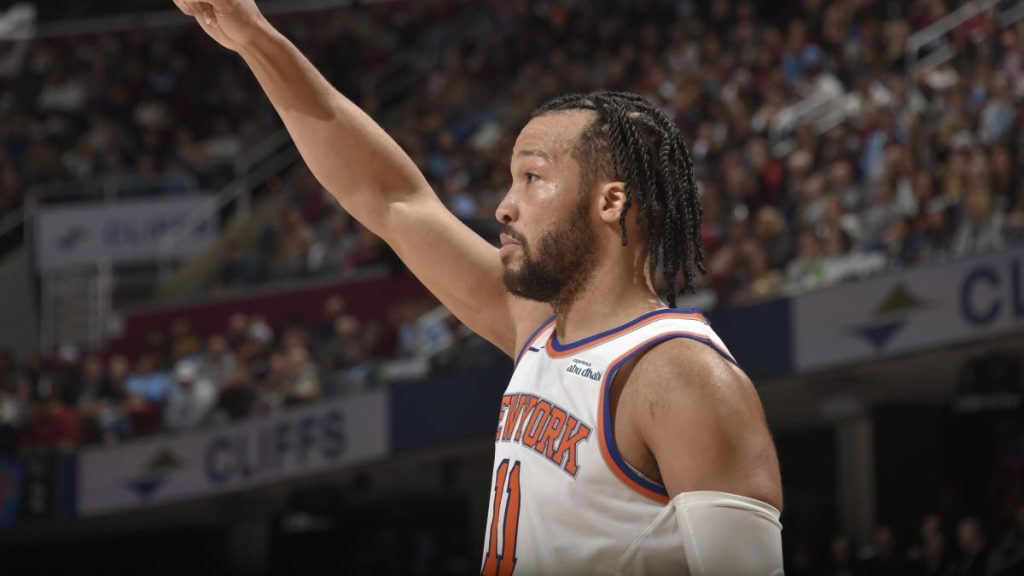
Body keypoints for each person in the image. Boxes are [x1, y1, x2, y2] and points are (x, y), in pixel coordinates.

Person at [172, 1, 784, 573]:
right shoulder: (537, 328)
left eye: (532, 177)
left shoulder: (681, 377)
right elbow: (390, 198)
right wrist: (256, 41)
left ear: (611, 202)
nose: (503, 207)